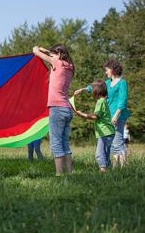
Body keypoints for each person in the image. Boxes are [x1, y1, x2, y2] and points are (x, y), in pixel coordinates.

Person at [75, 59, 130, 169]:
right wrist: (83, 89)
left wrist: (116, 115)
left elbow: (122, 101)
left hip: (118, 116)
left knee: (117, 143)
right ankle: (114, 169)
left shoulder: (122, 83)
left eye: (107, 70)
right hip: (109, 117)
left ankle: (123, 169)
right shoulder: (108, 83)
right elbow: (96, 87)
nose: (106, 72)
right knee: (113, 144)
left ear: (113, 70)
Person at [33, 44, 74, 176]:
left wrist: (38, 49)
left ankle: (59, 174)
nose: (51, 56)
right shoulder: (70, 67)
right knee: (65, 143)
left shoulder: (57, 62)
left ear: (59, 54)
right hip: (67, 109)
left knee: (56, 143)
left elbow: (36, 52)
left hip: (57, 108)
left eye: (53, 54)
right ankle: (69, 173)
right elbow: (52, 55)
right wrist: (50, 52)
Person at [75, 80, 115, 173]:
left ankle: (103, 171)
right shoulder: (103, 100)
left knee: (99, 153)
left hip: (105, 132)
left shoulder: (100, 102)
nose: (91, 90)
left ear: (97, 91)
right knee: (105, 153)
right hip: (109, 132)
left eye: (92, 89)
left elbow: (95, 116)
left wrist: (82, 115)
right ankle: (108, 172)